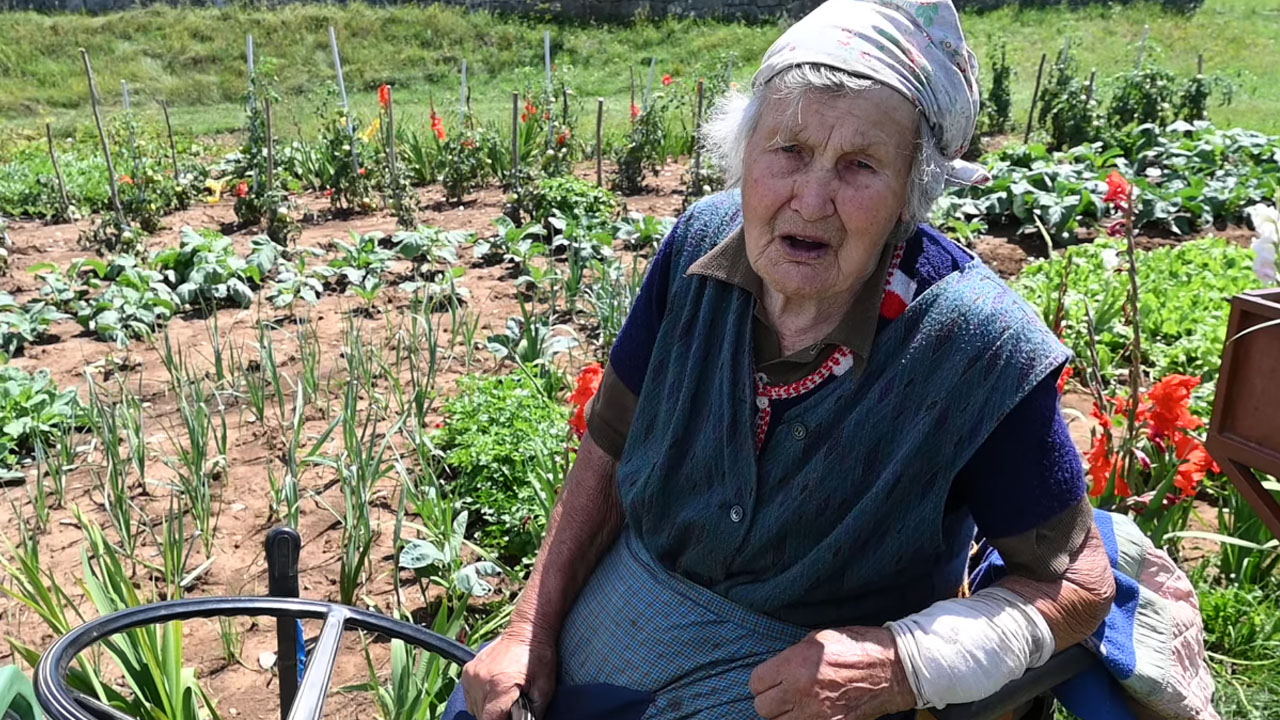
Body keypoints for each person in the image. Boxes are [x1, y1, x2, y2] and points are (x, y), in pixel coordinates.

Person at [451, 1, 1116, 718]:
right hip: (610, 623)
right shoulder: (696, 251)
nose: (812, 198)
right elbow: (607, 453)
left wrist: (901, 664)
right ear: (744, 154)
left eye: (860, 165)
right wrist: (528, 629)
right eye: (789, 151)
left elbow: (1078, 588)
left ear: (910, 197)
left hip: (799, 690)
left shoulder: (977, 347)